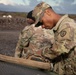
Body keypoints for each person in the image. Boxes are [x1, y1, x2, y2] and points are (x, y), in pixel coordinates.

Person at [32, 2, 76, 75]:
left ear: (48, 12)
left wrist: (41, 52)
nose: (42, 26)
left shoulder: (67, 26)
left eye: (41, 22)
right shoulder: (61, 27)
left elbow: (58, 49)